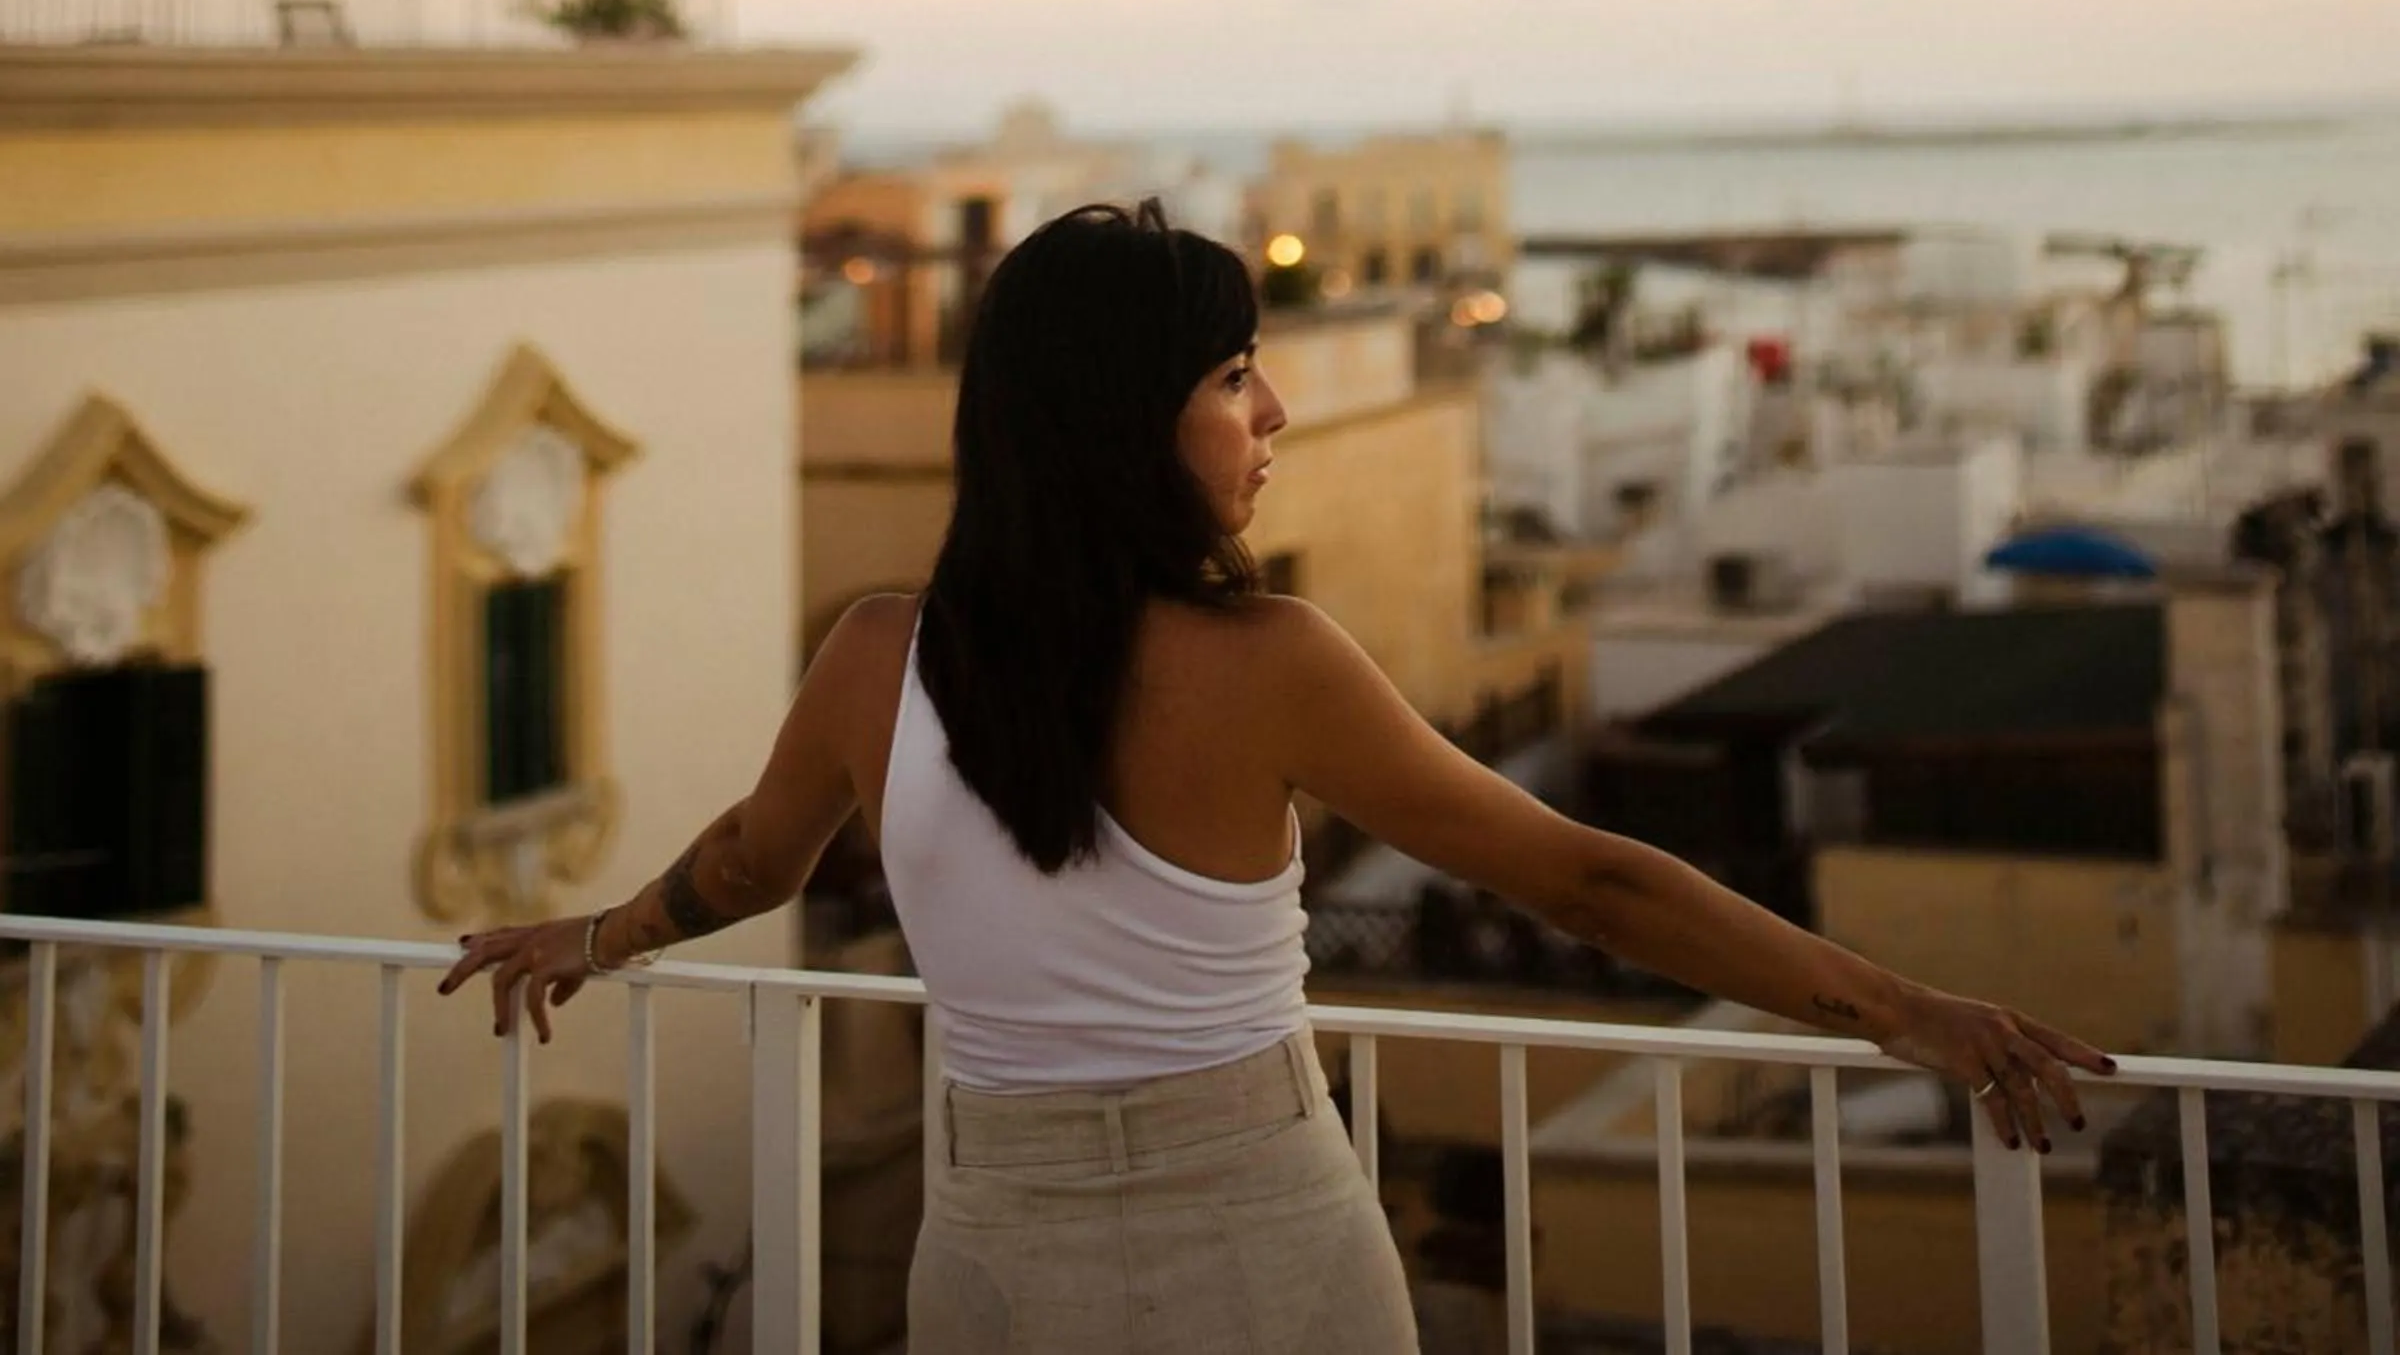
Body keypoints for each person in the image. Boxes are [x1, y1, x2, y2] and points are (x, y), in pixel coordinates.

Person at [444, 201, 2114, 1351]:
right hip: (1253, 1234)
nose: (1278, 410)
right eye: (1236, 374)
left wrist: (593, 941)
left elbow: (751, 862)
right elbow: (1583, 881)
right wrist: (1909, 1013)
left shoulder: (876, 656)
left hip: (986, 1254)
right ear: (1127, 422)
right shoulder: (1271, 666)